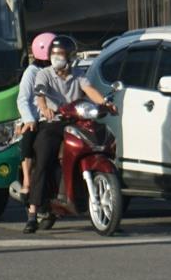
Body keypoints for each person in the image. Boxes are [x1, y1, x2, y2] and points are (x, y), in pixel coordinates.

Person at [24, 35, 109, 234]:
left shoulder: (79, 74)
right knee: (44, 159)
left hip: (76, 122)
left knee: (98, 143)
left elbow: (90, 90)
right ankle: (32, 212)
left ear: (70, 57)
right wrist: (44, 108)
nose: (56, 58)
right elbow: (40, 95)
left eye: (60, 54)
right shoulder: (43, 74)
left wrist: (104, 103)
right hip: (52, 124)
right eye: (53, 54)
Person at [10, 33, 56, 203]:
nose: (58, 54)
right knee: (28, 138)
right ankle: (27, 183)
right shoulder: (32, 71)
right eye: (54, 50)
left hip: (56, 118)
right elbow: (23, 99)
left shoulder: (61, 70)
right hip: (35, 117)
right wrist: (29, 119)